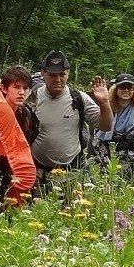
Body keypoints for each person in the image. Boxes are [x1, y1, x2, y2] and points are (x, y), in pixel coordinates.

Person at [30, 51, 113, 181]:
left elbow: (106, 126)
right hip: (38, 171)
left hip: (72, 171)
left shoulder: (79, 99)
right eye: (52, 75)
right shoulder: (32, 98)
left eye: (62, 74)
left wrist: (104, 102)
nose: (57, 80)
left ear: (68, 74)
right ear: (43, 74)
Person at [92, 73, 134, 182]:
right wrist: (107, 165)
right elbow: (98, 140)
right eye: (122, 87)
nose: (126, 90)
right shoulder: (108, 111)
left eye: (130, 87)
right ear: (116, 89)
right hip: (111, 164)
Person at [1, 65, 39, 145]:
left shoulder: (27, 115)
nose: (21, 92)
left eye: (25, 88)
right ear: (4, 88)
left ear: (30, 91)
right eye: (17, 87)